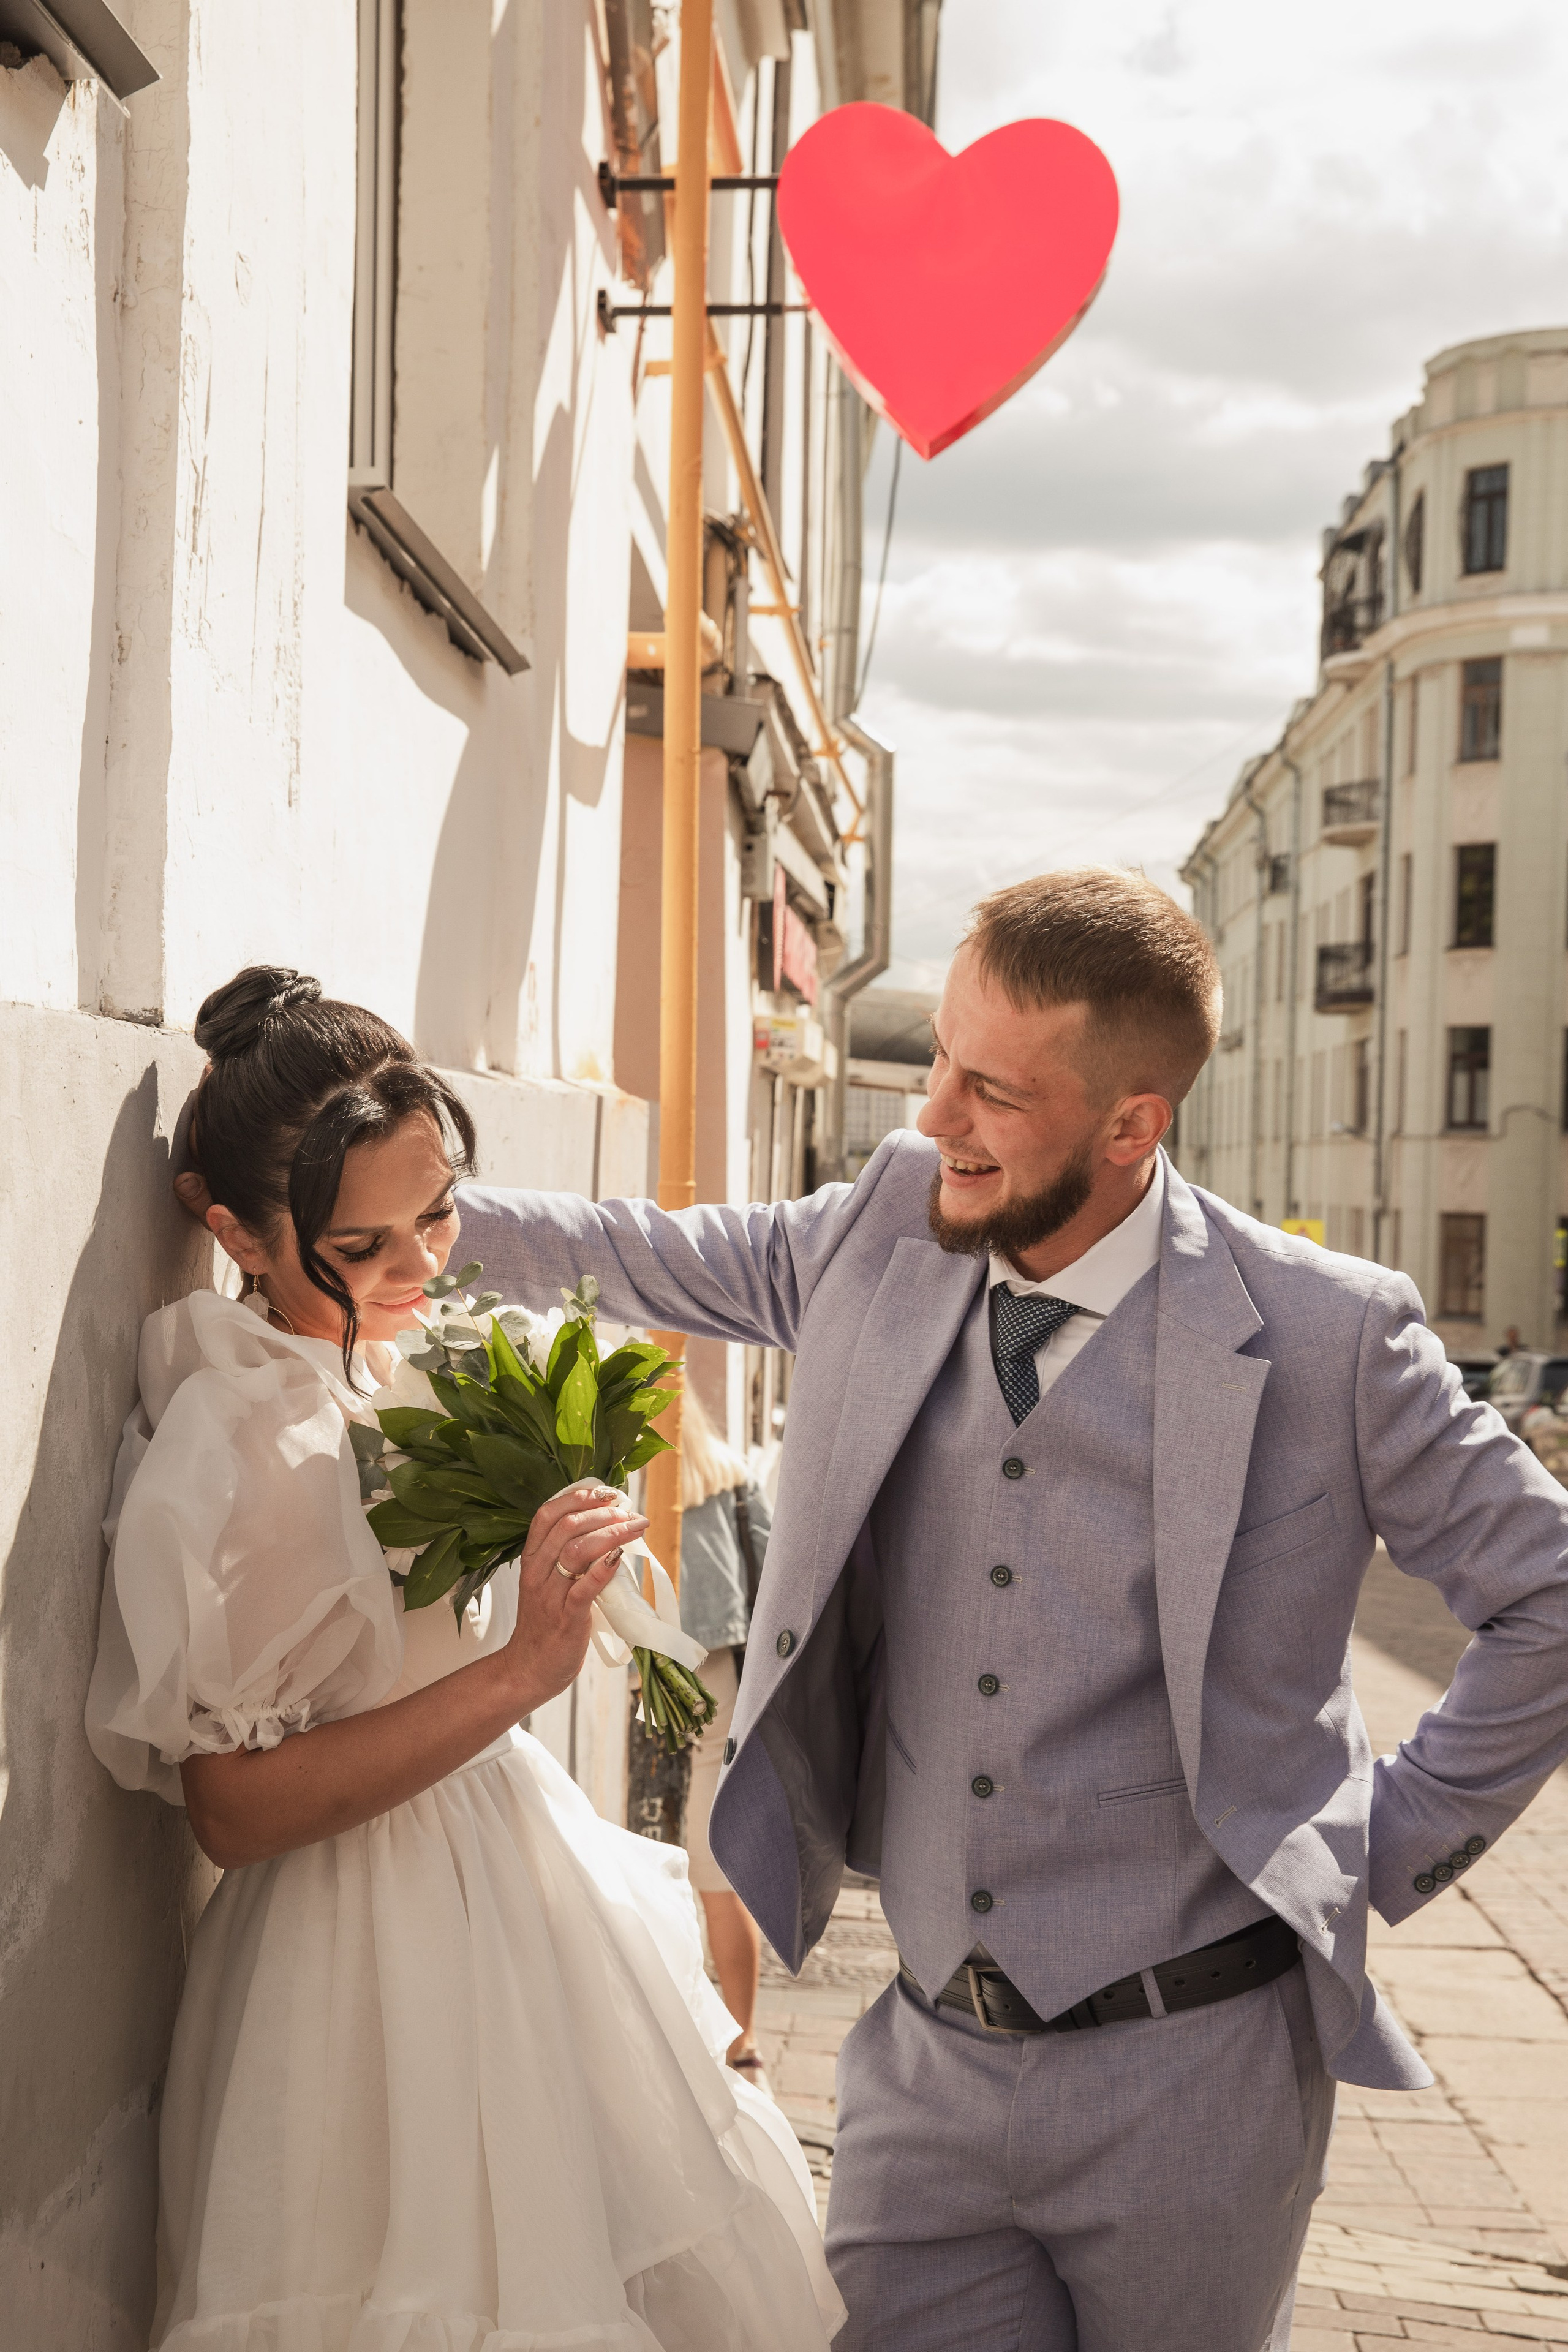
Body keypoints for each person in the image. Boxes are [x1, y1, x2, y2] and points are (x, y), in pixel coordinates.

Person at [454, 868, 1568, 2352]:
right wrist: (380, 1210)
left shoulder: (1327, 1334)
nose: (932, 1116)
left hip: (1197, 2076)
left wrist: (1378, 1845)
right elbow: (630, 1250)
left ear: (1130, 1124)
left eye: (988, 1087)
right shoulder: (884, 1234)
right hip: (926, 2068)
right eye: (937, 1063)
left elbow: (1544, 1594)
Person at [85, 966, 843, 2352]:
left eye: (436, 1214)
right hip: (357, 1977)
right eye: (362, 1245)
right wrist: (517, 1671)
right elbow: (228, 1808)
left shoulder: (402, 1364)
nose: (422, 1268)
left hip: (522, 1899)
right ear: (234, 1231)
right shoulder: (243, 1442)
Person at [674, 1385, 774, 2090]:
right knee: (711, 1871)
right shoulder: (728, 1475)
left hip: (669, 1668)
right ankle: (739, 2036)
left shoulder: (628, 1474)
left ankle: (729, 2034)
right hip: (716, 1674)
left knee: (699, 1866)